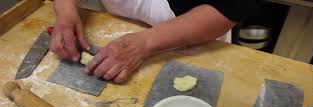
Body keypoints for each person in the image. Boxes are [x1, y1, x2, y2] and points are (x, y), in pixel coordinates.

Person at [49, 0, 260, 83]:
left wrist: (142, 44)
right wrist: (65, 8)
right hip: (115, 14)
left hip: (193, 31)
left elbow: (227, 8)